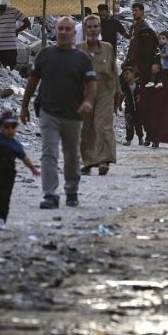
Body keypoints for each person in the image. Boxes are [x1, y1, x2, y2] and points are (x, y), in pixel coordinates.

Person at [20, 16, 97, 210]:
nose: (63, 32)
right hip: (48, 112)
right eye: (60, 29)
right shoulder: (45, 55)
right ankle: (50, 194)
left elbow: (91, 83)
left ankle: (71, 190)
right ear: (56, 31)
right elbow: (32, 81)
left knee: (71, 155)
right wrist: (24, 106)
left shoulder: (82, 58)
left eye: (67, 29)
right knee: (49, 153)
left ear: (74, 33)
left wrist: (88, 101)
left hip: (73, 114)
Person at [77, 15, 118, 176]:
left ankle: (104, 160)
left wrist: (119, 93)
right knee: (86, 128)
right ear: (85, 30)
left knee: (102, 124)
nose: (93, 30)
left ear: (100, 29)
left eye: (96, 26)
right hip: (85, 92)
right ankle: (88, 162)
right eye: (90, 27)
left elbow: (114, 71)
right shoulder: (79, 49)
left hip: (105, 91)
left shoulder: (108, 48)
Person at [0, 0, 30, 70]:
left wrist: (17, 31)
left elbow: (27, 23)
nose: (3, 7)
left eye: (4, 5)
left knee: (7, 69)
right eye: (1, 5)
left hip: (8, 47)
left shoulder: (13, 11)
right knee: (2, 70)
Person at [119, 65, 143, 146]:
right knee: (129, 124)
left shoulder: (139, 84)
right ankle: (129, 139)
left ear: (133, 74)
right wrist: (119, 105)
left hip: (139, 108)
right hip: (129, 107)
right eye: (124, 75)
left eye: (127, 74)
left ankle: (140, 138)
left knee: (138, 123)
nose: (125, 76)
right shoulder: (124, 86)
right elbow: (122, 95)